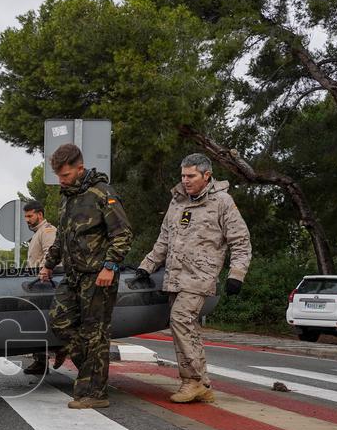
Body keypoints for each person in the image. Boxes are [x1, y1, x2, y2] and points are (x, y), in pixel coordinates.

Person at [135, 153, 251, 404]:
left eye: (191, 176)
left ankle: (192, 381)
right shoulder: (177, 202)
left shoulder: (222, 202)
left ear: (206, 175)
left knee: (180, 319)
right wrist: (147, 265)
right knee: (185, 328)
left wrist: (237, 274)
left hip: (200, 276)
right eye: (183, 176)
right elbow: (164, 239)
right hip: (174, 276)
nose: (185, 181)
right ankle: (204, 384)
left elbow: (240, 241)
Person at [40, 143, 132, 409]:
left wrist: (109, 266)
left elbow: (122, 234)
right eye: (58, 175)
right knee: (60, 320)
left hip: (98, 275)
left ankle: (94, 392)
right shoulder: (67, 196)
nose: (61, 180)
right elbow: (62, 236)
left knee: (96, 332)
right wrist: (49, 264)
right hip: (73, 275)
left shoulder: (102, 193)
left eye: (66, 175)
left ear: (80, 168)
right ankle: (91, 373)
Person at [23, 200, 57, 376]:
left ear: (40, 215)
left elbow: (50, 253)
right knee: (37, 323)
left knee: (45, 322)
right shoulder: (38, 232)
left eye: (30, 216)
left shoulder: (47, 231)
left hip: (44, 283)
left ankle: (60, 350)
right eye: (26, 217)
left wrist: (44, 272)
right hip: (39, 283)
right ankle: (40, 360)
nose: (27, 220)